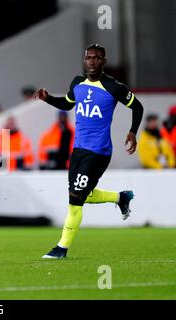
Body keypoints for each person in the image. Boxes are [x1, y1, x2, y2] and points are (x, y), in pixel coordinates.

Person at [34, 44, 144, 259]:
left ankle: (61, 248)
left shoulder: (114, 87)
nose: (92, 62)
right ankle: (120, 198)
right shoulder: (77, 83)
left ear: (104, 61)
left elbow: (137, 107)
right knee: (81, 194)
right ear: (85, 60)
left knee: (75, 200)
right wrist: (49, 99)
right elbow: (67, 104)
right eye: (89, 58)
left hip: (98, 152)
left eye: (97, 58)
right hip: (78, 150)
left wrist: (132, 132)